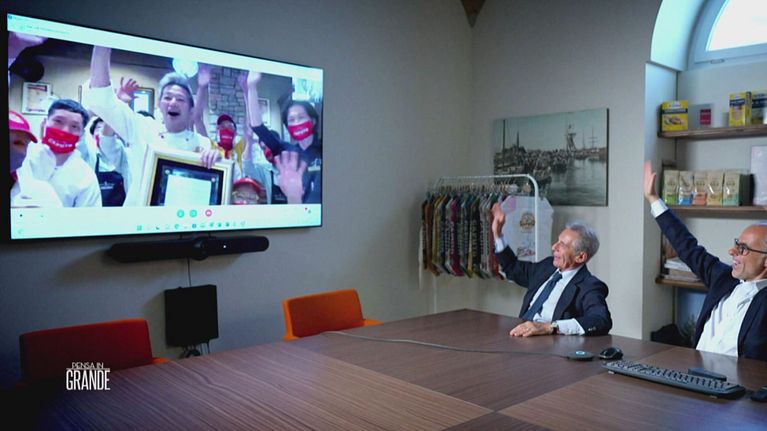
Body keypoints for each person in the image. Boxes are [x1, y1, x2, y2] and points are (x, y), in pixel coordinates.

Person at [644, 161, 767, 361]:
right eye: (736, 244)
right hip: (694, 372)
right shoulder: (723, 278)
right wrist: (653, 199)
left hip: (736, 380)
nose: (732, 251)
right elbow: (687, 247)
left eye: (743, 248)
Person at [85, 46, 220, 206]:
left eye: (180, 99)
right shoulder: (142, 127)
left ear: (191, 110)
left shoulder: (202, 143)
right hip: (140, 217)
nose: (173, 103)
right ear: (159, 104)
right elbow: (102, 100)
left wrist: (216, 160)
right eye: (167, 97)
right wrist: (103, 46)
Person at [491, 203, 612, 336]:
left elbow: (601, 320)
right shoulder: (547, 266)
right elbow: (513, 268)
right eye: (557, 241)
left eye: (562, 245)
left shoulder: (589, 286)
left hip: (549, 343)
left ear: (580, 257)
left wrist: (551, 327)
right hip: (520, 334)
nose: (554, 247)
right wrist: (498, 234)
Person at [246, 71, 321, 204]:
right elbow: (257, 127)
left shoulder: (325, 148)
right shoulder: (288, 152)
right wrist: (251, 87)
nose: (297, 123)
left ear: (313, 120)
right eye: (291, 120)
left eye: (301, 117)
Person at [12, 100, 101, 207]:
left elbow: (89, 216)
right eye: (58, 121)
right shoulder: (21, 154)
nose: (65, 131)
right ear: (45, 123)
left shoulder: (85, 176)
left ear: (81, 133)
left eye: (74, 126)